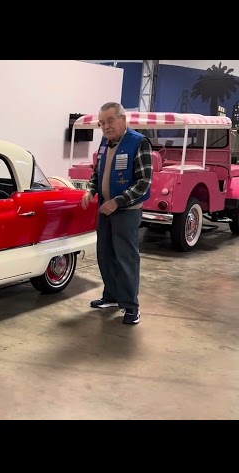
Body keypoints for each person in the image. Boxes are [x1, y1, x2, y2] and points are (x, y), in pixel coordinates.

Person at [81, 102, 153, 325]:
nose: (106, 127)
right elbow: (98, 171)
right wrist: (90, 190)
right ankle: (111, 296)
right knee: (106, 254)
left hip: (126, 211)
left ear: (123, 119)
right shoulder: (106, 143)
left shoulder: (139, 143)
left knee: (126, 258)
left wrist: (118, 202)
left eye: (110, 121)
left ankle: (131, 306)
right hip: (105, 209)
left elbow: (144, 182)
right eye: (102, 123)